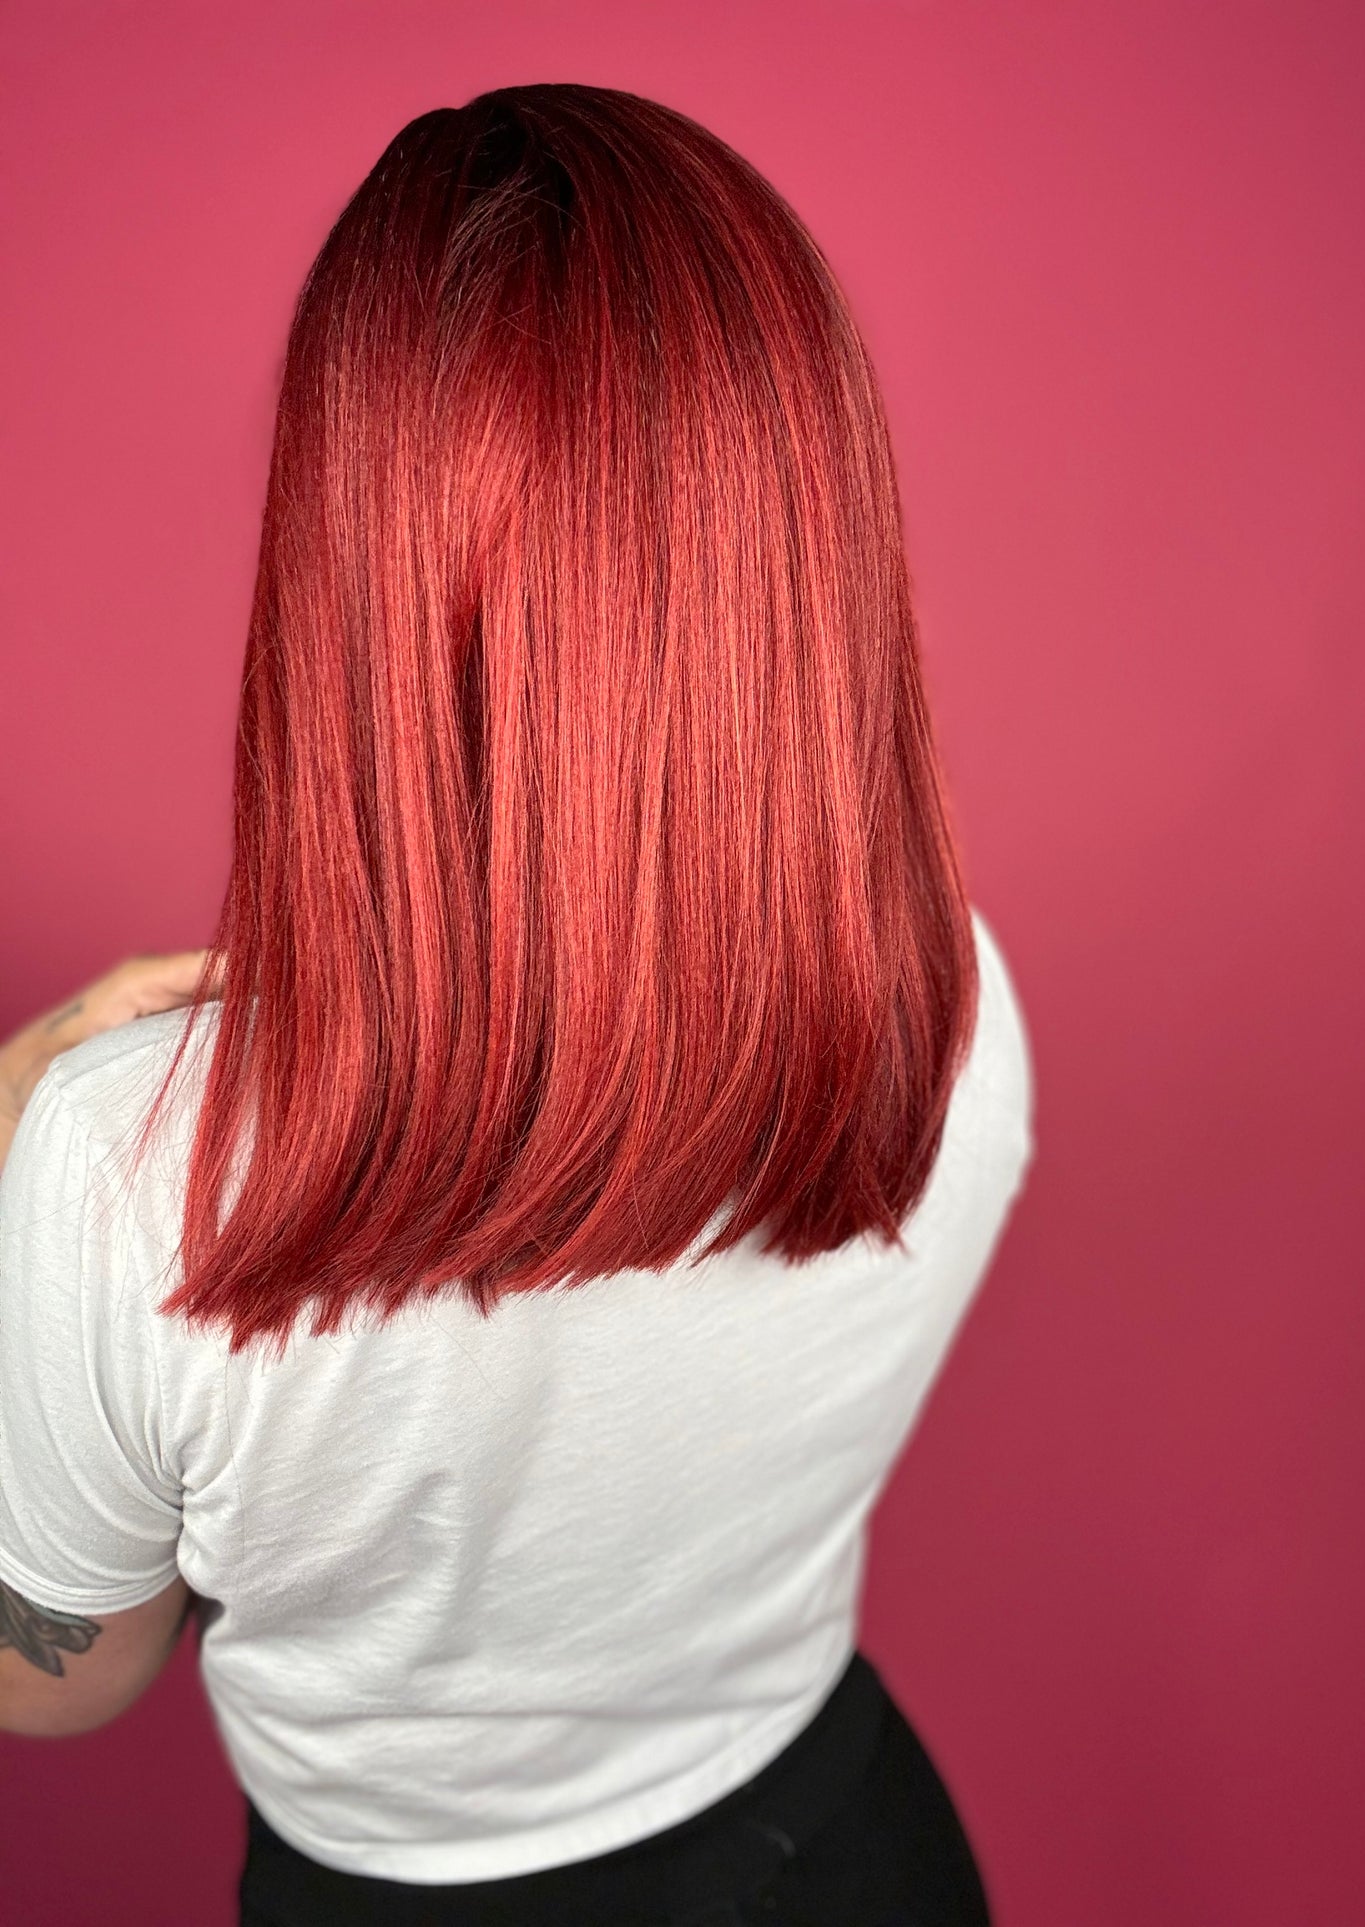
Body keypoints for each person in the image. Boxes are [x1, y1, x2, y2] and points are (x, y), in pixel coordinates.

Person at [0, 83, 1035, 1926]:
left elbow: (47, 1677)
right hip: (852, 1854)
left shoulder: (117, 1167)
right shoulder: (951, 997)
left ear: (348, 553)